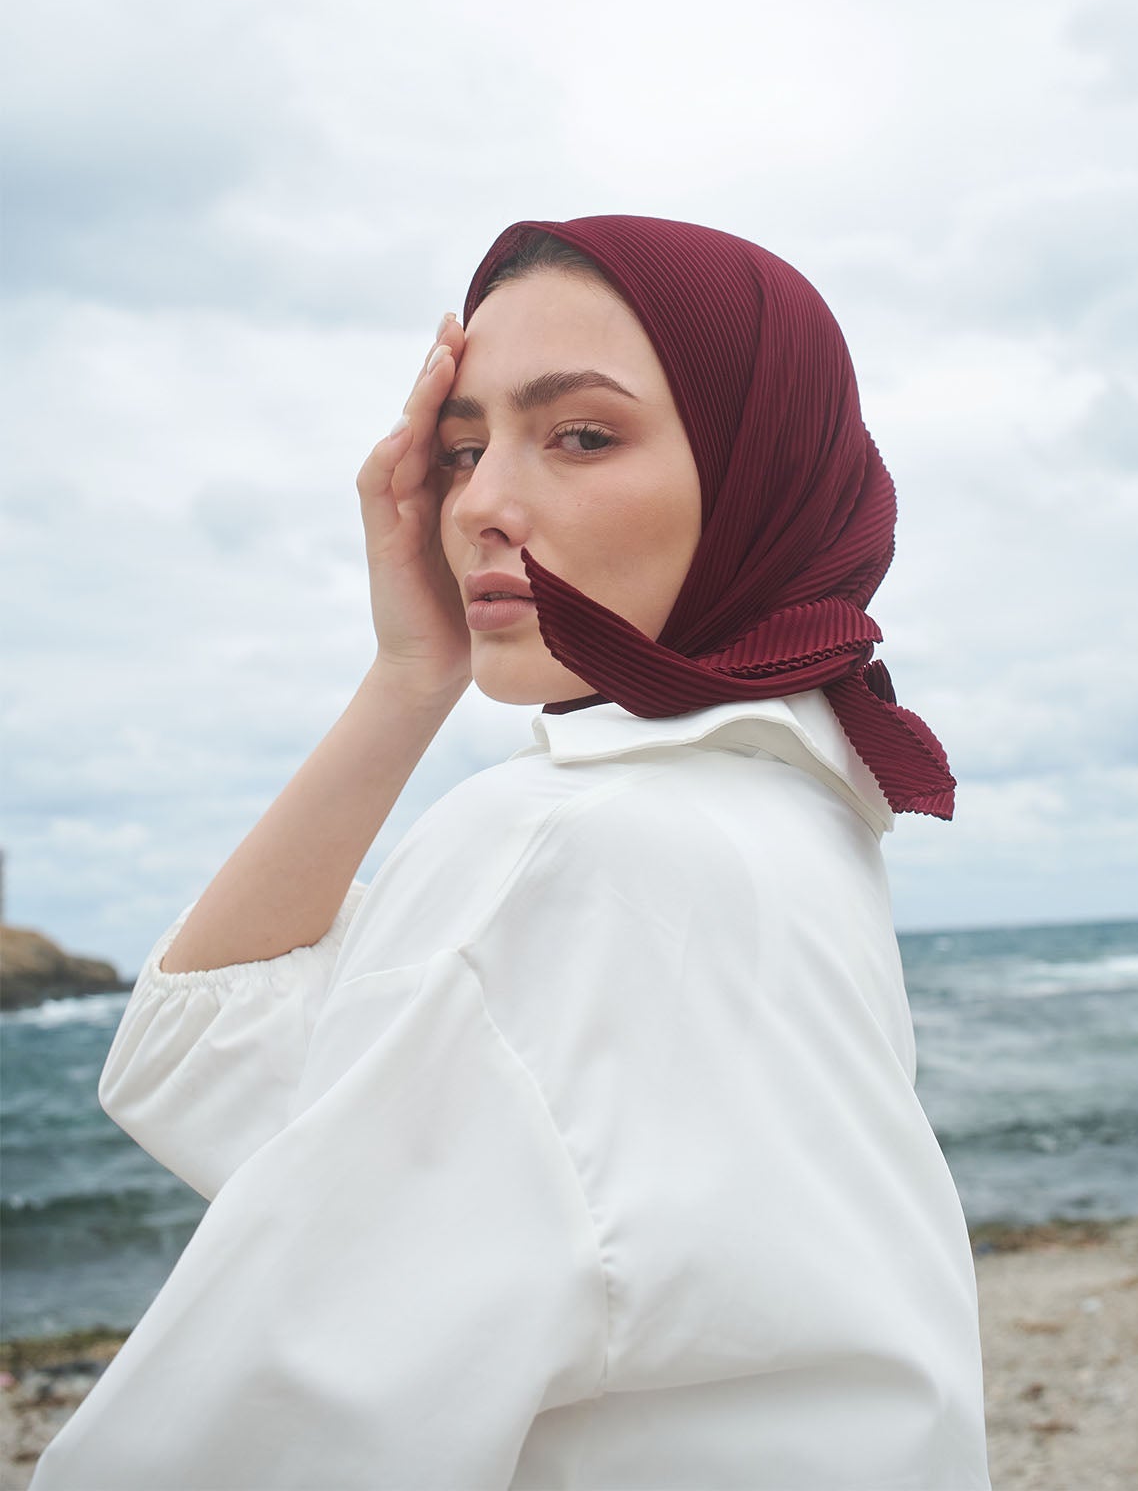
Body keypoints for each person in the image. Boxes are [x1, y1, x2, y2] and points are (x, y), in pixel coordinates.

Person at [31, 215, 991, 1490]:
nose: (479, 504)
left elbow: (221, 1448)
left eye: (581, 435)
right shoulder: (794, 811)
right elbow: (215, 1069)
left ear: (762, 472)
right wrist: (408, 674)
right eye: (464, 446)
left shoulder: (565, 846)